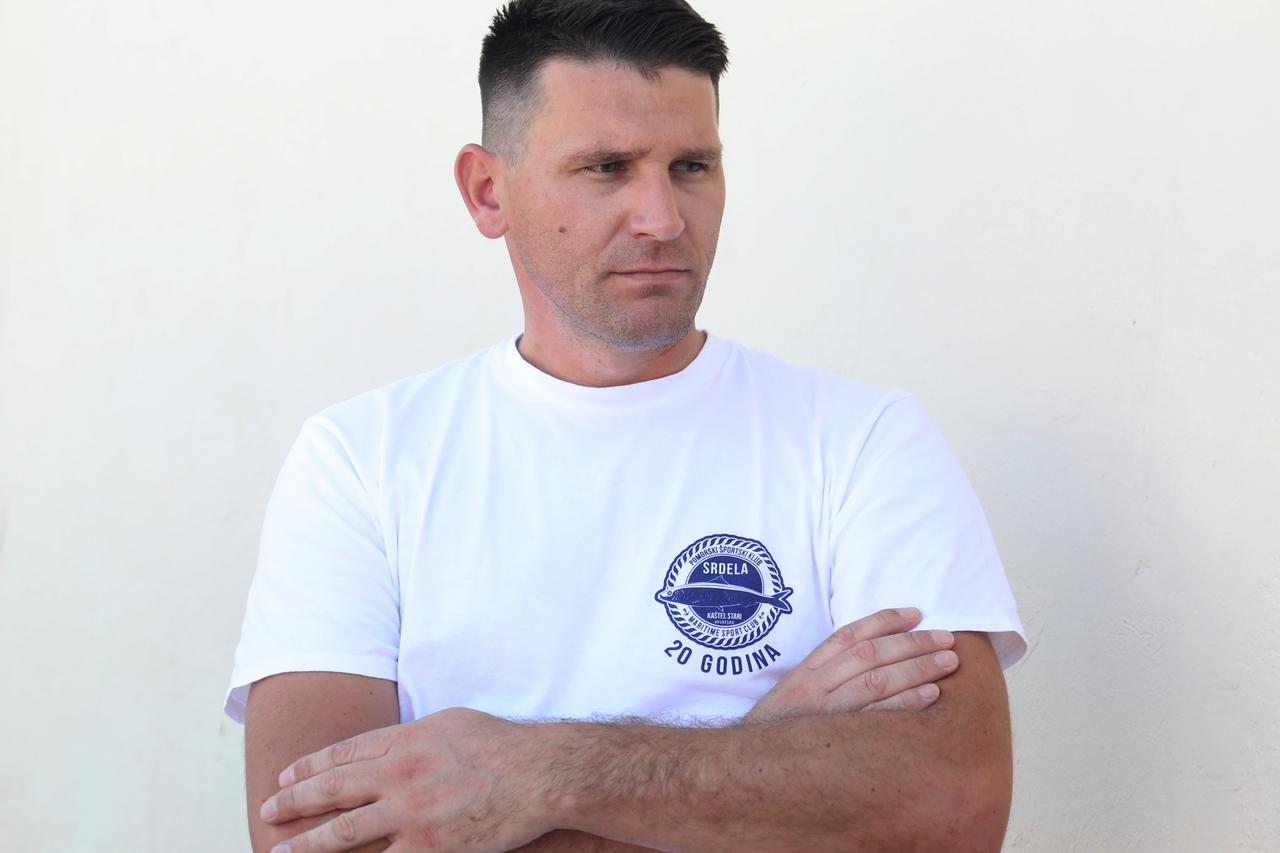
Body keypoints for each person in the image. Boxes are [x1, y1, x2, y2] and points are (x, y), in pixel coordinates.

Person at [225, 1, 1028, 850]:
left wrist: (534, 775)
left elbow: (953, 806)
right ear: (488, 191)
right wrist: (766, 747)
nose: (663, 218)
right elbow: (315, 835)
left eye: (692, 166)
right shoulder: (362, 461)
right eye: (607, 167)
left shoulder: (862, 442)